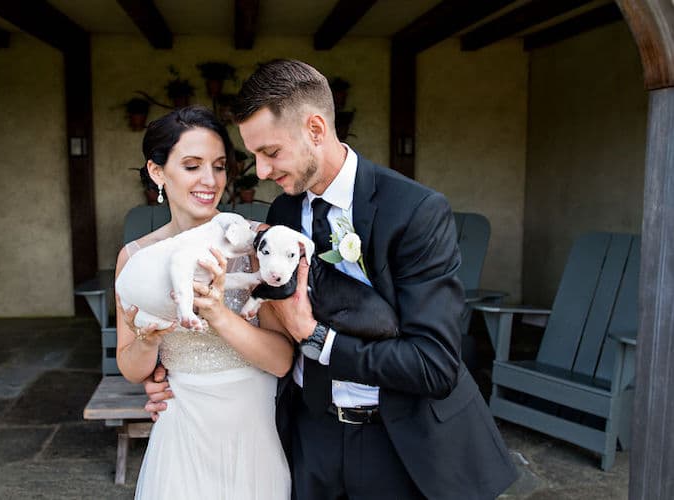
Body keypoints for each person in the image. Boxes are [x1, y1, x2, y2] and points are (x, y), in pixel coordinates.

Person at [146, 60, 518, 499]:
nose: (261, 172)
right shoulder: (282, 213)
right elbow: (270, 330)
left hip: (402, 443)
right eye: (253, 157)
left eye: (270, 153)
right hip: (310, 438)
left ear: (316, 130)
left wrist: (318, 338)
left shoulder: (415, 212)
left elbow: (434, 365)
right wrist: (178, 383)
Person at [115, 105, 292, 499]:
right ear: (157, 171)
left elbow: (281, 360)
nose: (209, 180)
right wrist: (148, 340)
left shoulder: (257, 244)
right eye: (192, 165)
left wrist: (216, 312)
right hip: (182, 426)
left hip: (253, 430)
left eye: (219, 166)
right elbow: (130, 366)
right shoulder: (137, 259)